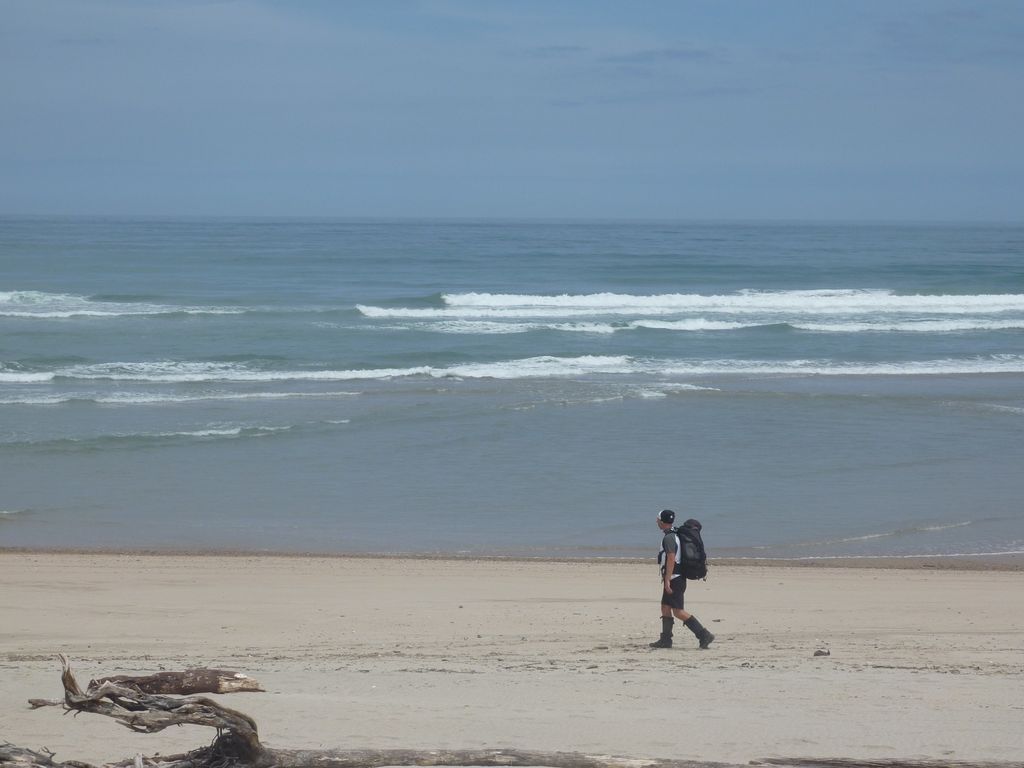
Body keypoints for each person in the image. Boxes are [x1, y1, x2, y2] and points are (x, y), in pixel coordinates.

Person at [650, 509, 714, 649]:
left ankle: (704, 634)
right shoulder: (674, 534)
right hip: (675, 577)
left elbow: (671, 558)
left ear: (662, 521)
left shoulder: (669, 538)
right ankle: (666, 640)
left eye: (657, 519)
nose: (656, 521)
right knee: (665, 607)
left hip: (675, 579)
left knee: (678, 611)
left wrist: (667, 580)